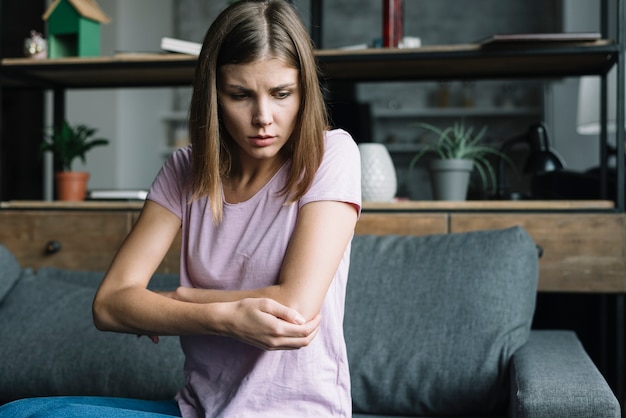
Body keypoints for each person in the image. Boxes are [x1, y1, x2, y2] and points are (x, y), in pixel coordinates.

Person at [0, 0, 361, 416]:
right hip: (196, 409)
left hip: (293, 412)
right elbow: (110, 303)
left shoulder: (331, 154)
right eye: (240, 95)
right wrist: (226, 317)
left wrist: (181, 299)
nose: (263, 117)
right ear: (214, 95)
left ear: (304, 92)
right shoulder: (186, 168)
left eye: (282, 94)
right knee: (21, 412)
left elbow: (294, 311)